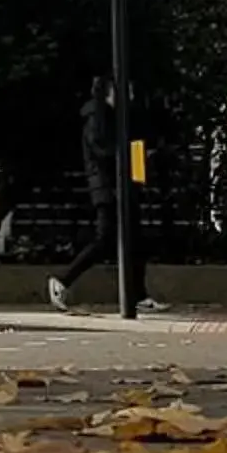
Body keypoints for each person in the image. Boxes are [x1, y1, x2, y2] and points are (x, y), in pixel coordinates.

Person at [47, 75, 163, 315]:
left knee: (136, 241)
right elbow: (106, 153)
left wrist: (138, 174)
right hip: (108, 188)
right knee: (104, 239)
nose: (131, 96)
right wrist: (132, 160)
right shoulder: (97, 120)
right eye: (127, 91)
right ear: (112, 93)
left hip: (123, 187)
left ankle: (139, 295)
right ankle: (62, 279)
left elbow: (133, 148)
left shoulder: (119, 118)